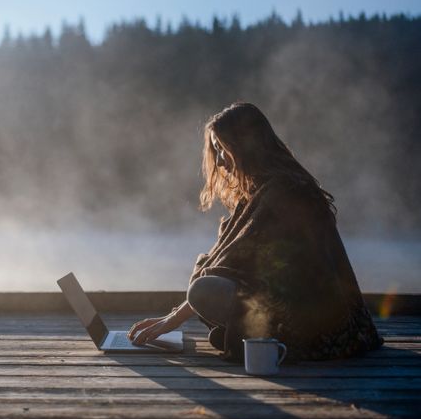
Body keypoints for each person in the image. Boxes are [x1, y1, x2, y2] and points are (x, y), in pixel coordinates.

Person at [127, 102, 383, 361]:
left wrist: (171, 321)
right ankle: (246, 335)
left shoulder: (285, 192)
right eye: (216, 151)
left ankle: (269, 340)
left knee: (203, 289)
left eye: (224, 150)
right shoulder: (261, 190)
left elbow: (238, 263)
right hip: (290, 302)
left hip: (318, 321)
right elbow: (225, 261)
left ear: (246, 146)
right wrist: (170, 317)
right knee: (204, 275)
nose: (221, 163)